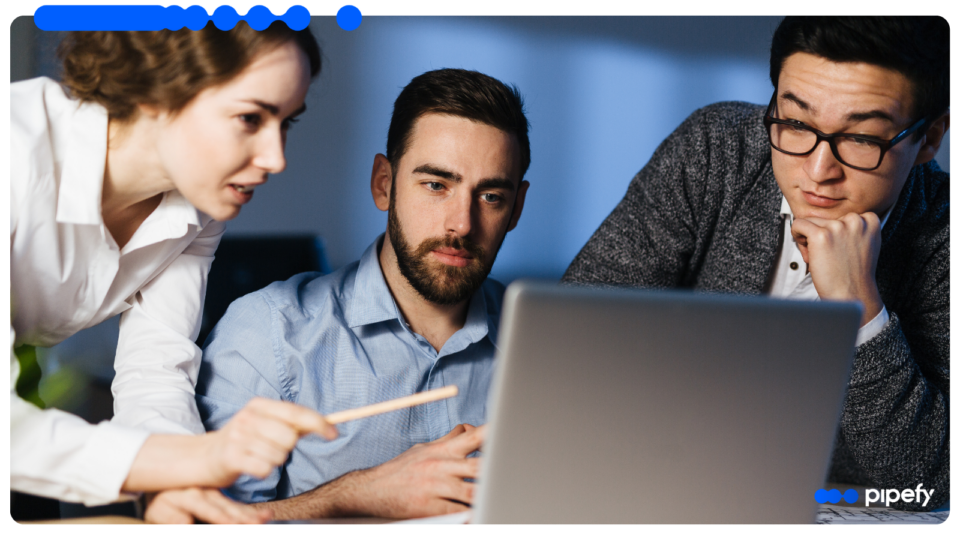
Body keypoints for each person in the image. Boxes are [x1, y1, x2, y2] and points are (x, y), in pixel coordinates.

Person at [562, 16, 948, 511]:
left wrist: (861, 310)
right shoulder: (715, 148)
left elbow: (927, 483)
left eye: (863, 140)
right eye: (795, 123)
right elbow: (579, 338)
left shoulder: (943, 232)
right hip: (658, 481)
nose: (816, 171)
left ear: (931, 139)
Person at [10, 22, 340, 524]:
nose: (277, 159)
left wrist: (178, 486)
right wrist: (199, 458)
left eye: (286, 122)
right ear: (153, 89)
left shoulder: (199, 203)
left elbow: (156, 369)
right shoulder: (13, 154)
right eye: (251, 117)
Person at [196, 68, 531, 519]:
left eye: (491, 196)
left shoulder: (539, 347)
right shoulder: (267, 333)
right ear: (384, 184)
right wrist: (350, 496)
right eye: (436, 185)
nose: (462, 224)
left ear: (516, 209)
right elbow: (203, 523)